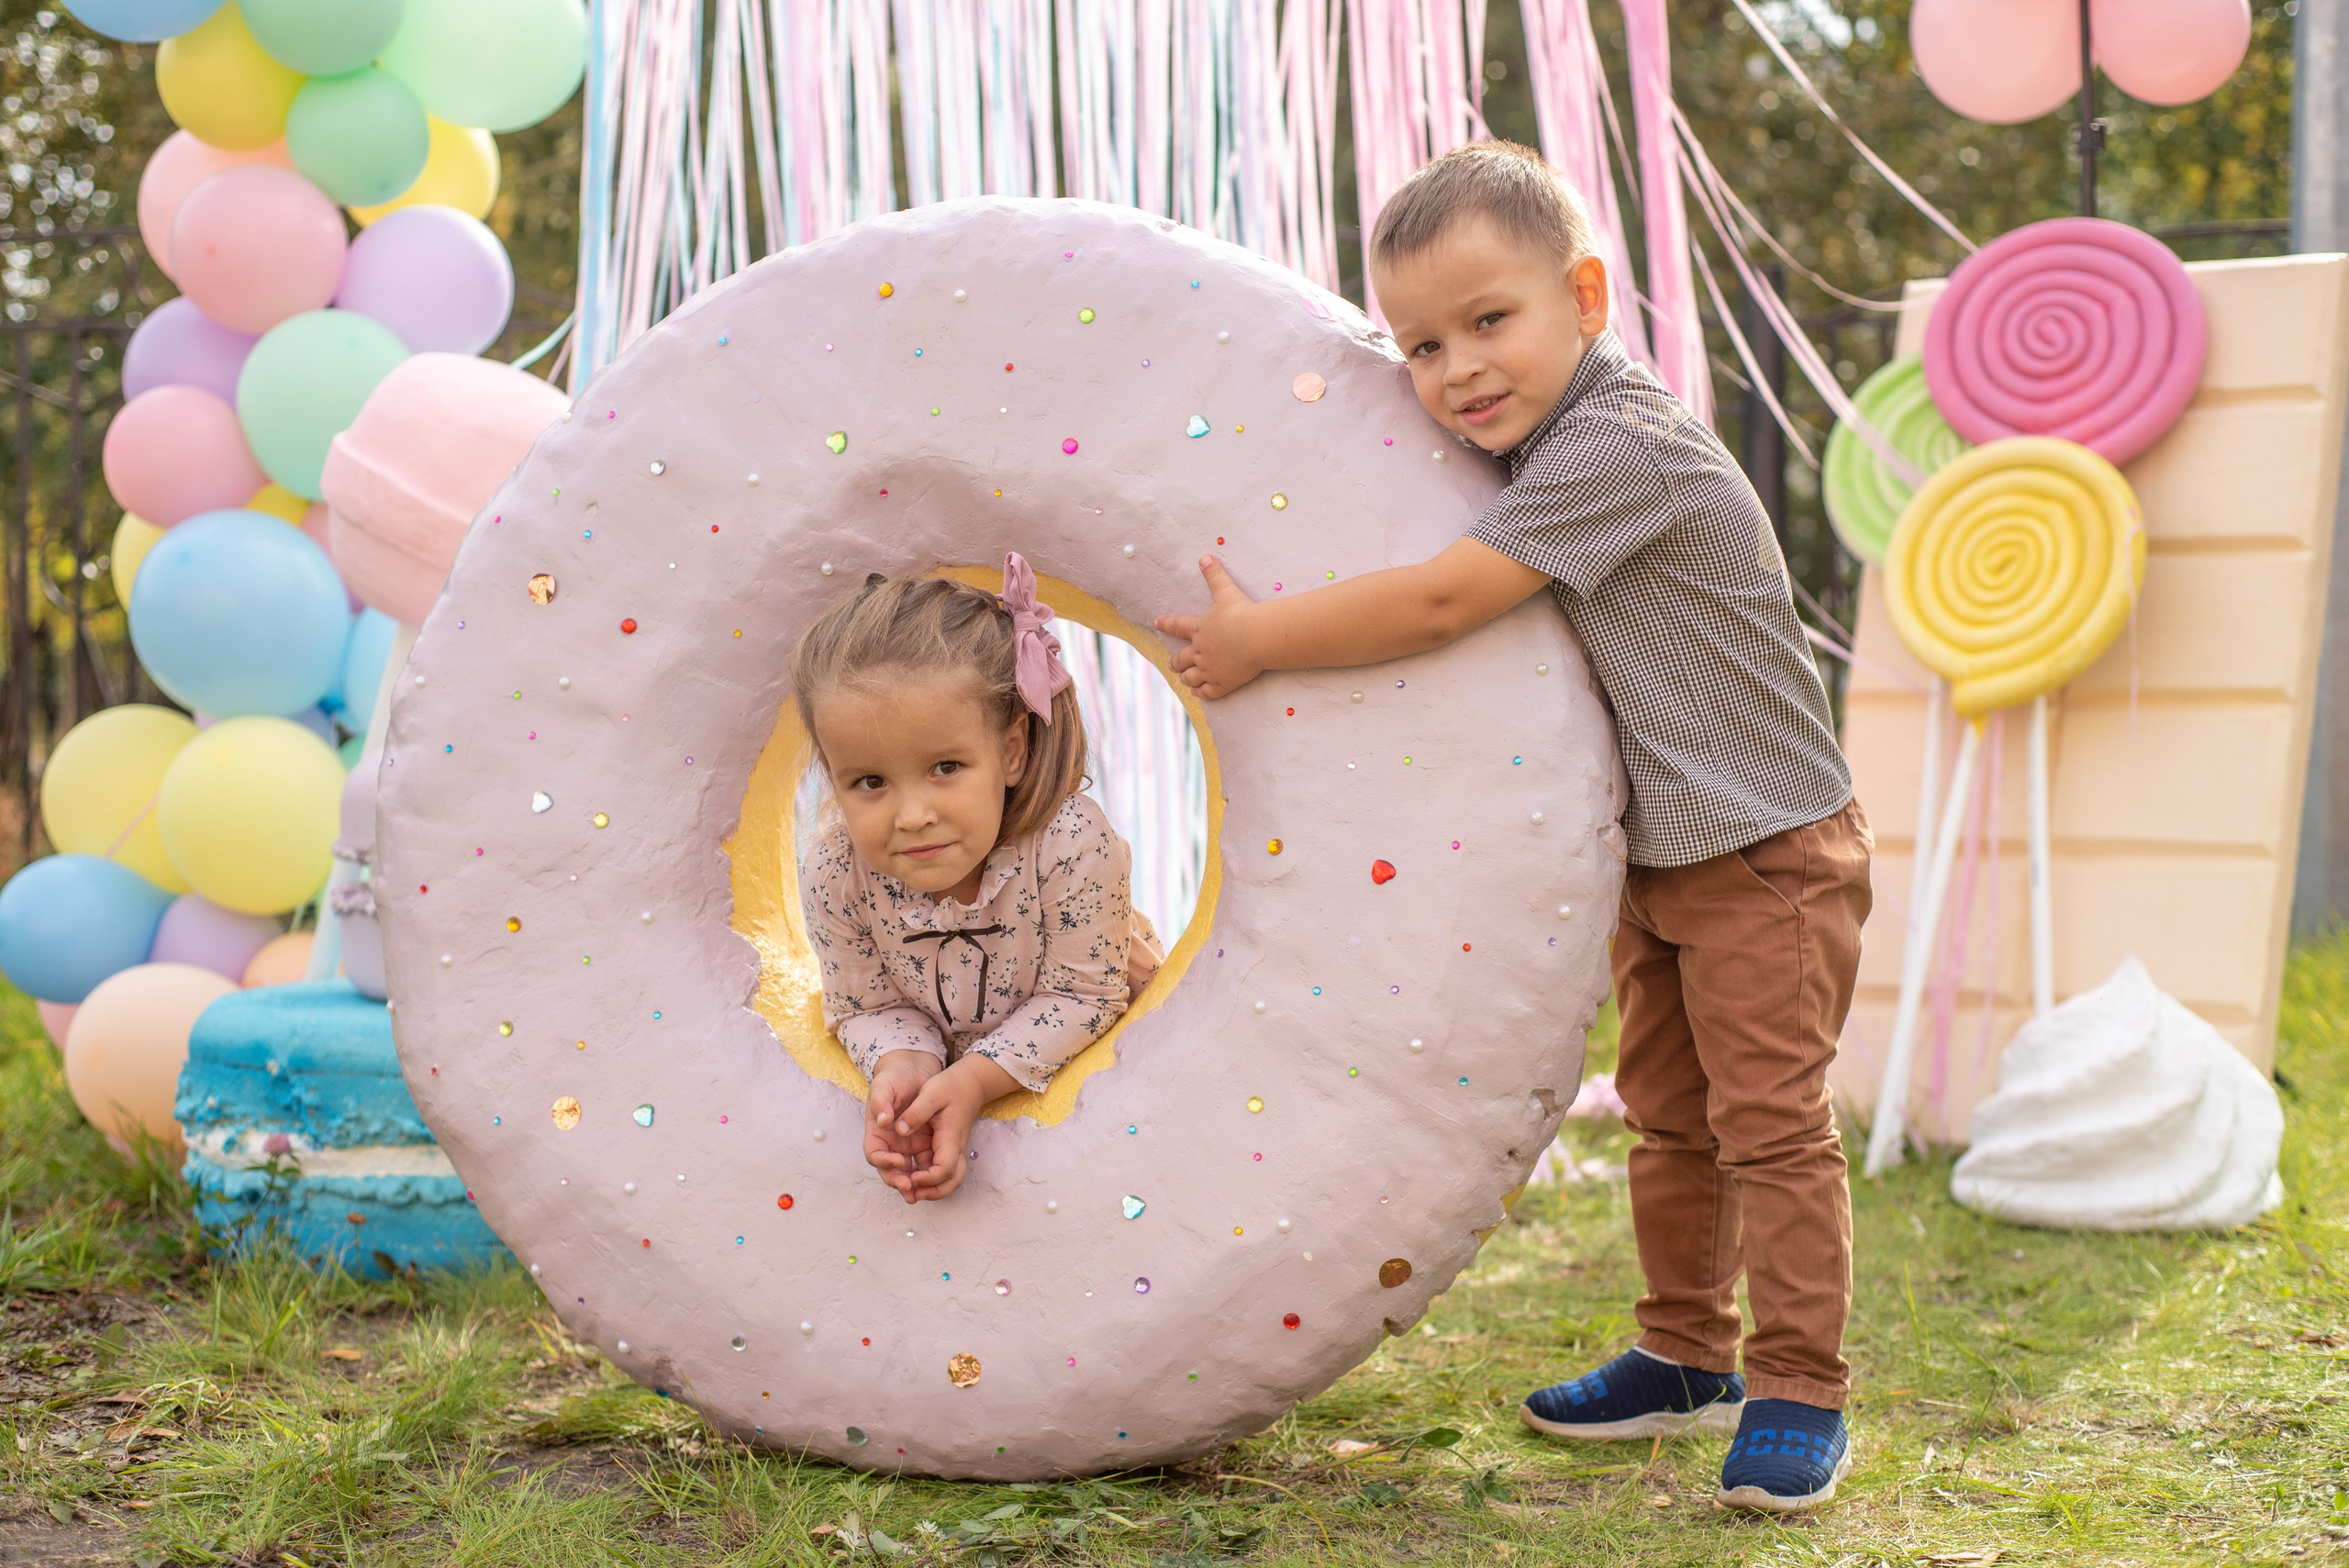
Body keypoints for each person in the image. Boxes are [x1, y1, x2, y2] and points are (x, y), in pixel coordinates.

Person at [1152, 141, 1871, 1515]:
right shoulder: (1540, 446)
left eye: (1490, 320)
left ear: (1585, 298)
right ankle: (1684, 1353)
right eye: (1422, 346)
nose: (1458, 369)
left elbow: (1440, 602)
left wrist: (1259, 637)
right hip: (1667, 856)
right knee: (1672, 1118)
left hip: (1766, 853)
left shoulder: (1618, 446)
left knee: (1770, 1127)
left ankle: (1799, 1387)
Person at [795, 554, 1162, 1205]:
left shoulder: (1072, 845)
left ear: (1010, 751)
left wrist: (972, 1081)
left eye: (945, 767)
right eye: (870, 781)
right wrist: (904, 1066)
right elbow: (869, 1005)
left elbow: (1082, 996)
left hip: (1090, 1067)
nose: (912, 815)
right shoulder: (837, 872)